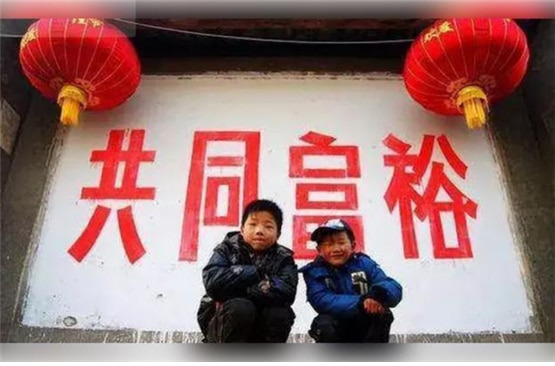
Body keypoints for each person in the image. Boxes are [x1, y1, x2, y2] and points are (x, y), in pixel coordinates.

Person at [197, 199, 298, 342]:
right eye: (253, 224)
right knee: (241, 307)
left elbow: (287, 292)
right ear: (242, 229)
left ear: (278, 234)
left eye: (268, 226)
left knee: (280, 313)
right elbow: (213, 283)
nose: (259, 231)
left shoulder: (284, 258)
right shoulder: (226, 249)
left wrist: (240, 288)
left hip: (259, 327)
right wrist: (253, 273)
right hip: (222, 325)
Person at [300, 218, 402, 343]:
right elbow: (321, 300)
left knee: (382, 312)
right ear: (319, 250)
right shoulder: (313, 271)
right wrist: (362, 302)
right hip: (338, 325)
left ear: (353, 246)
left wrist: (379, 293)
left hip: (365, 322)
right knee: (323, 323)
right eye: (329, 244)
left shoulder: (365, 263)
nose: (336, 249)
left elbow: (392, 286)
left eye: (341, 242)